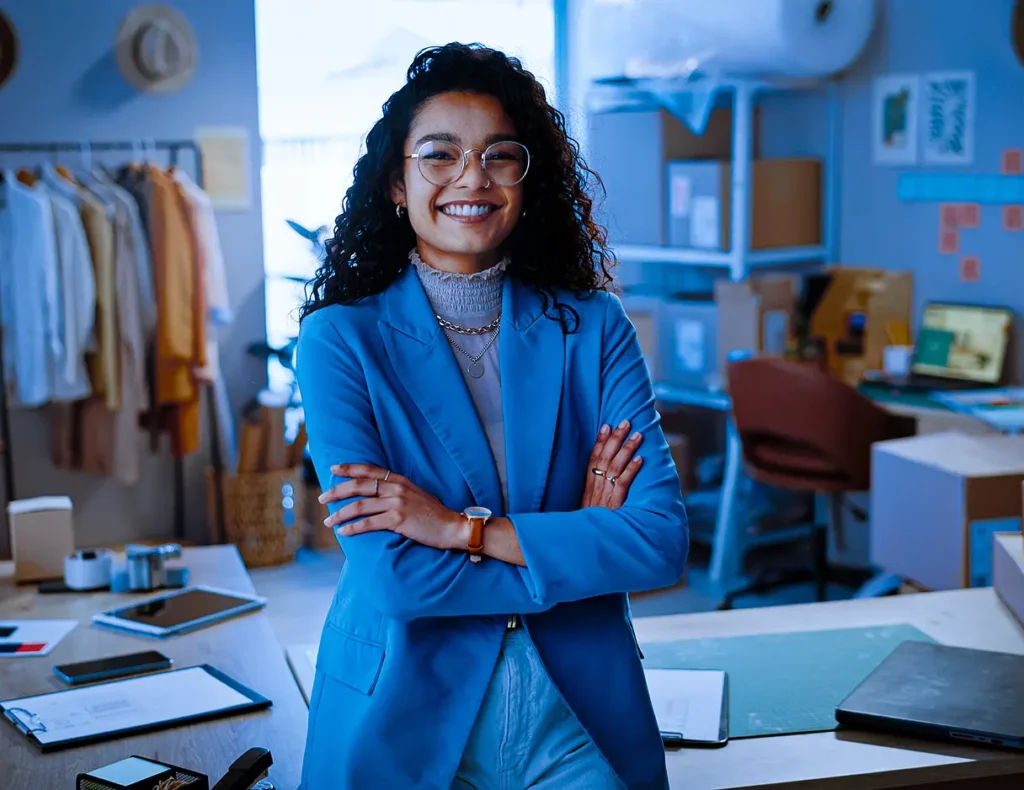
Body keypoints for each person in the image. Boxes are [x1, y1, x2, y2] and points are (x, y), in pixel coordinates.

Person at [295, 42, 689, 790]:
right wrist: (579, 543)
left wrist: (455, 528)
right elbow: (398, 583)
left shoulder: (594, 327)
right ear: (395, 184)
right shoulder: (340, 341)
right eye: (440, 155)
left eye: (501, 156)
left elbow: (660, 543)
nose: (472, 178)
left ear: (526, 182)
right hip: (404, 703)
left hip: (577, 708)